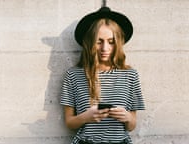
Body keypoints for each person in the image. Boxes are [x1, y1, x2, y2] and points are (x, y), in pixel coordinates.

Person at [60, 6, 145, 144]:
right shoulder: (73, 75)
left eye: (111, 42)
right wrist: (86, 117)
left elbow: (132, 126)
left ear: (118, 43)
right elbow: (69, 123)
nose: (105, 48)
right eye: (99, 41)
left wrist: (127, 117)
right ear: (89, 42)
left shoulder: (130, 75)